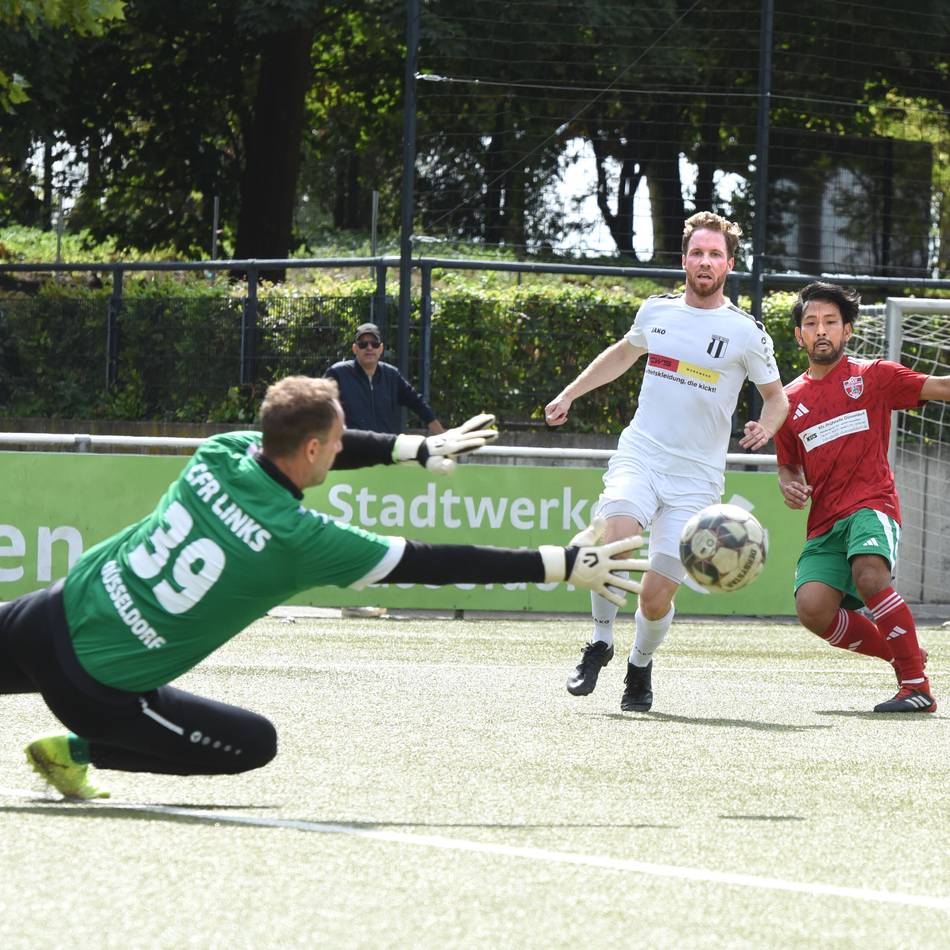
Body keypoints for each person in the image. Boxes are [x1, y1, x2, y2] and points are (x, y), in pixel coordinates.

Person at [0, 377, 643, 800]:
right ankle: (78, 752)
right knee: (254, 744)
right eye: (334, 444)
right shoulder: (298, 539)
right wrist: (561, 563)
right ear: (311, 449)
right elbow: (428, 561)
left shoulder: (219, 454)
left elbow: (321, 443)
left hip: (45, 615)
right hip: (98, 691)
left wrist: (414, 450)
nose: (340, 452)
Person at [544, 211, 788, 712]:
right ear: (683, 260)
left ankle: (639, 665)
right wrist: (569, 394)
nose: (705, 262)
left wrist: (767, 426)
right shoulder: (655, 312)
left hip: (697, 480)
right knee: (614, 540)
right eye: (697, 253)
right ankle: (600, 642)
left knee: (654, 598)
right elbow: (622, 354)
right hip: (642, 454)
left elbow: (776, 398)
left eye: (715, 254)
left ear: (730, 264)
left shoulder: (746, 333)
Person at [774, 281, 949, 713]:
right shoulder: (786, 402)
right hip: (824, 522)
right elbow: (789, 464)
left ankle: (916, 686)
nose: (821, 330)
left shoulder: (874, 376)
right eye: (811, 323)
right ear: (799, 335)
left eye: (830, 322)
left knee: (870, 574)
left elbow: (940, 387)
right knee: (813, 609)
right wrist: (788, 483)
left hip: (873, 504)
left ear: (847, 330)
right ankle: (903, 651)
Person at [324, 323, 445, 436]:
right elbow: (319, 406)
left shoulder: (392, 375)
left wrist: (441, 434)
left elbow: (417, 402)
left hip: (385, 447)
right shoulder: (338, 374)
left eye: (374, 344)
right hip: (351, 447)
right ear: (354, 348)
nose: (369, 348)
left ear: (381, 349)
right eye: (363, 344)